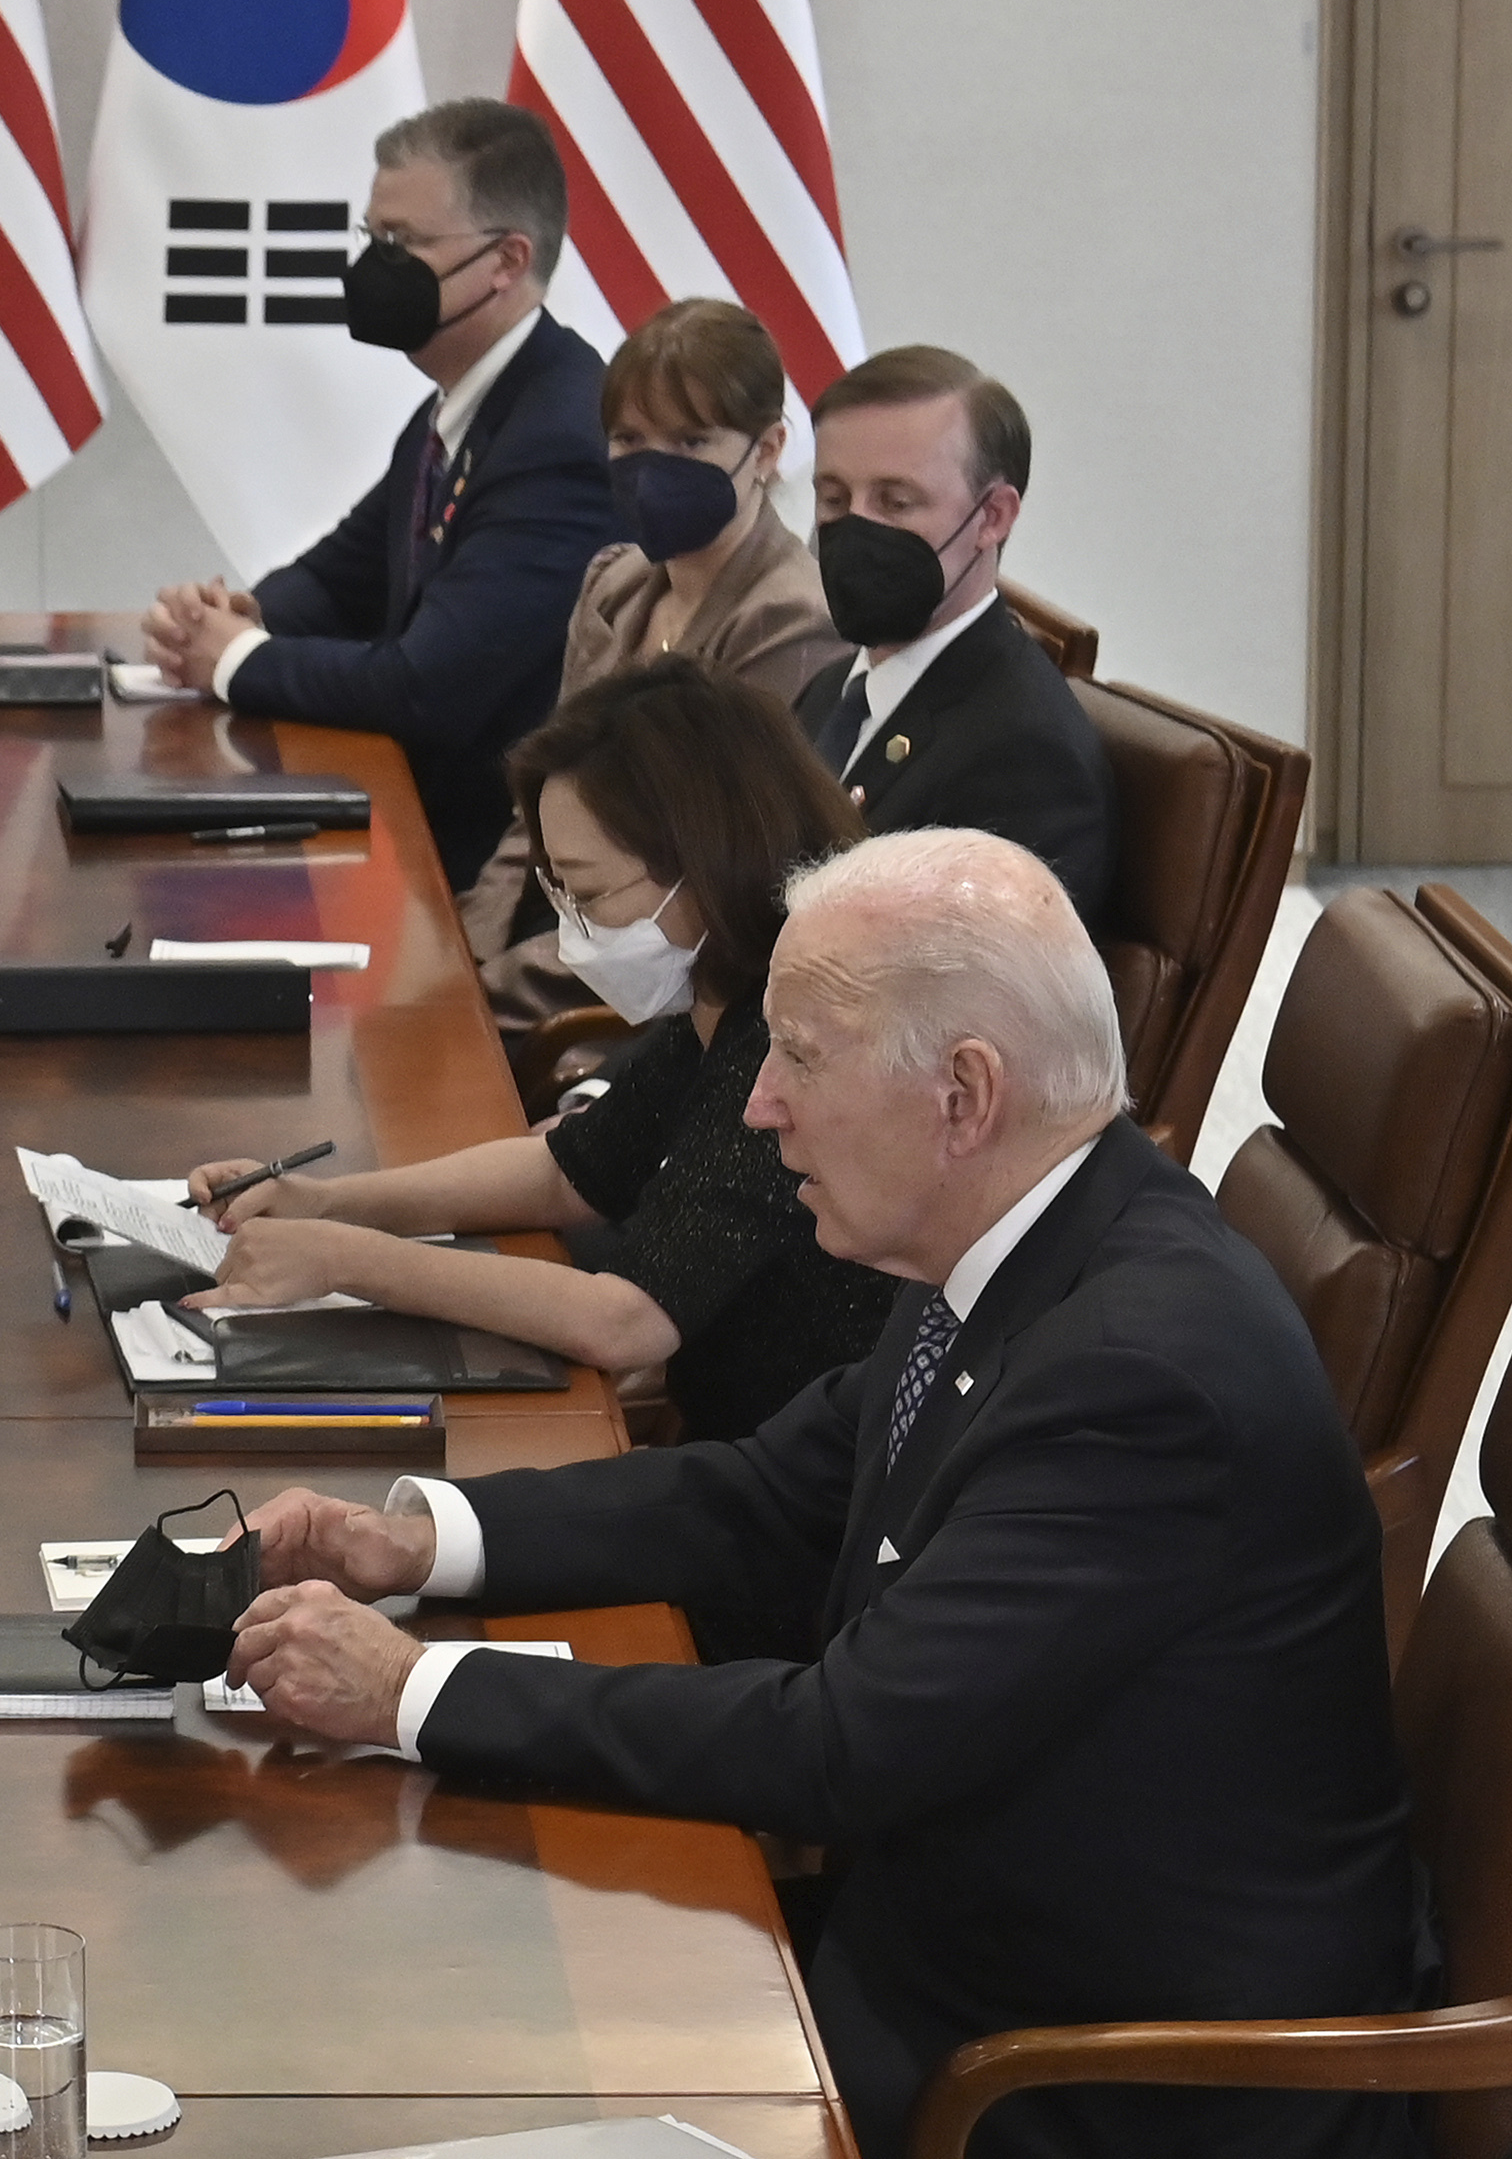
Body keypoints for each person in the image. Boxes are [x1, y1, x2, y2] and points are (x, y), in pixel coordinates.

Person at [224, 829, 1420, 2159]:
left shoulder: (1142, 1380)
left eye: (801, 1053)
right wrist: (410, 1541)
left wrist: (407, 1693)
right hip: (933, 1948)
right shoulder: (1013, 1242)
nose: (758, 1104)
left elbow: (841, 1744)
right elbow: (763, 1494)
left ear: (963, 1094)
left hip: (1087, 2077)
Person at [189, 657, 887, 1444]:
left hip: (795, 1483)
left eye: (588, 896)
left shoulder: (791, 1037)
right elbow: (570, 1171)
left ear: (703, 861)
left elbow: (626, 1321)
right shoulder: (724, 998)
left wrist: (346, 1261)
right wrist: (329, 1201)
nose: (572, 934)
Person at [142, 99, 627, 876]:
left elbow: (427, 690)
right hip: (406, 831)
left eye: (403, 242)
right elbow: (341, 577)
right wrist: (241, 615)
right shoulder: (451, 409)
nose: (373, 266)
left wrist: (235, 661)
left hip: (490, 871)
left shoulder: (559, 439)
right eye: (372, 237)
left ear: (506, 261)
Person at [455, 298, 846, 1027]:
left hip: (645, 990)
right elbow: (537, 813)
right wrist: (466, 952)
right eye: (630, 439)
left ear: (766, 450)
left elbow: (694, 894)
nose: (653, 467)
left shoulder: (790, 622)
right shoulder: (615, 581)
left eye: (691, 441)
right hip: (553, 931)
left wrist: (482, 997)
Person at [793, 344, 1117, 925]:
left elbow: (978, 1005)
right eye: (834, 498)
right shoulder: (829, 692)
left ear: (991, 518)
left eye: (896, 502)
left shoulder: (1025, 757)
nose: (855, 529)